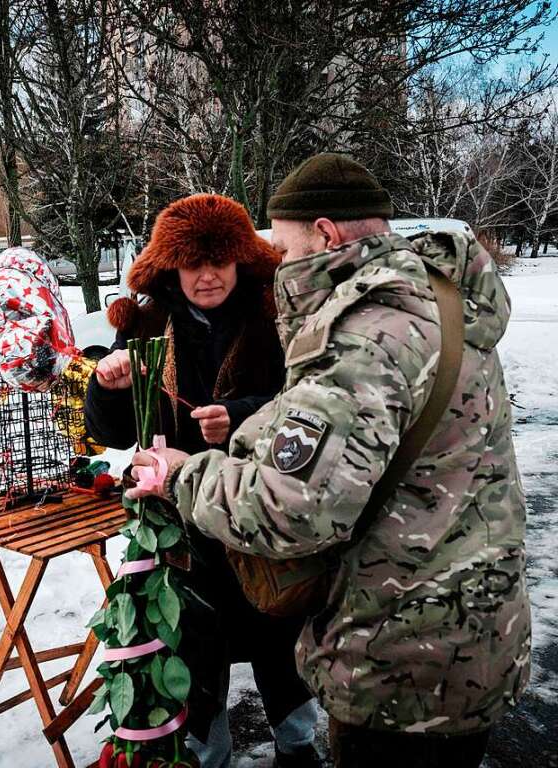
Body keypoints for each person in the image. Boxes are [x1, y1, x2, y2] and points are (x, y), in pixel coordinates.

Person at [127, 153, 531, 768]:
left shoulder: (363, 332)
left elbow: (294, 510)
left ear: (325, 233)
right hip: (472, 625)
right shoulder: (437, 299)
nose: (280, 266)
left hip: (400, 652)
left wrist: (184, 474)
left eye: (283, 251)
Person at [85, 193, 321, 768]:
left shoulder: (277, 318)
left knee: (279, 628)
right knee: (193, 639)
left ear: (242, 259)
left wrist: (241, 416)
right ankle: (205, 751)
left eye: (219, 261)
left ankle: (297, 743)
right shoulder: (147, 324)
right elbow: (113, 433)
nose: (207, 276)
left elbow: (311, 403)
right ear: (172, 266)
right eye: (194, 263)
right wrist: (109, 386)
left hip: (258, 506)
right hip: (181, 518)